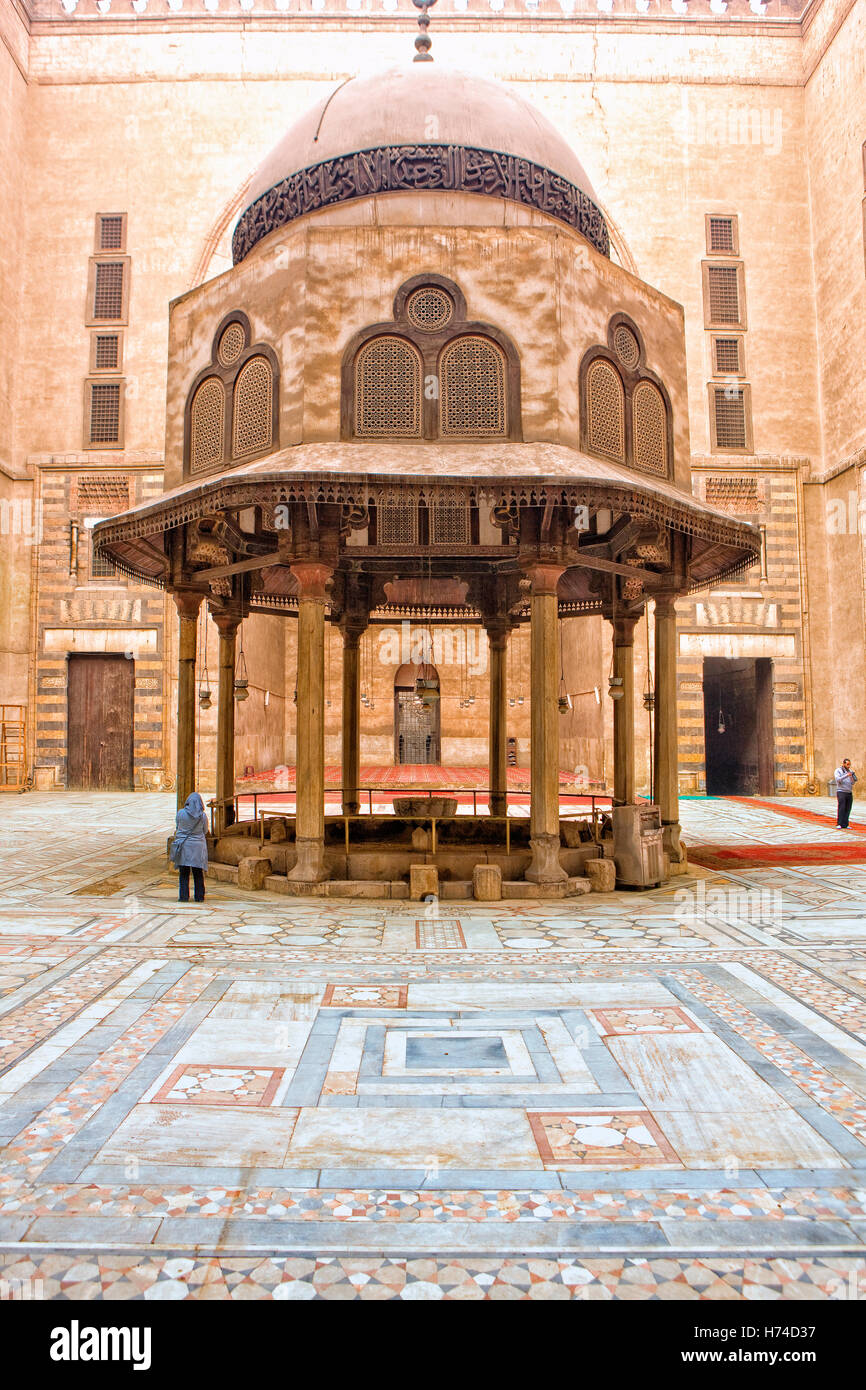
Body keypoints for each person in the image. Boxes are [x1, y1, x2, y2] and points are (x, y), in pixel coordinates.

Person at [170, 792, 209, 901]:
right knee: (198, 873)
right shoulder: (202, 816)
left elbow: (178, 827)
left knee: (184, 872)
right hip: (198, 847)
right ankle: (199, 897)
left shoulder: (181, 813)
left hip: (184, 846)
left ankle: (183, 896)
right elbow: (205, 830)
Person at [834, 758, 857, 830]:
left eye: (849, 764)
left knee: (848, 808)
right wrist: (846, 775)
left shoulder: (850, 771)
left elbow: (853, 782)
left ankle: (845, 824)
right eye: (847, 764)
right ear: (843, 764)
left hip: (849, 792)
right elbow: (838, 779)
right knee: (842, 808)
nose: (849, 766)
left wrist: (851, 777)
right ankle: (839, 823)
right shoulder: (838, 771)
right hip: (841, 792)